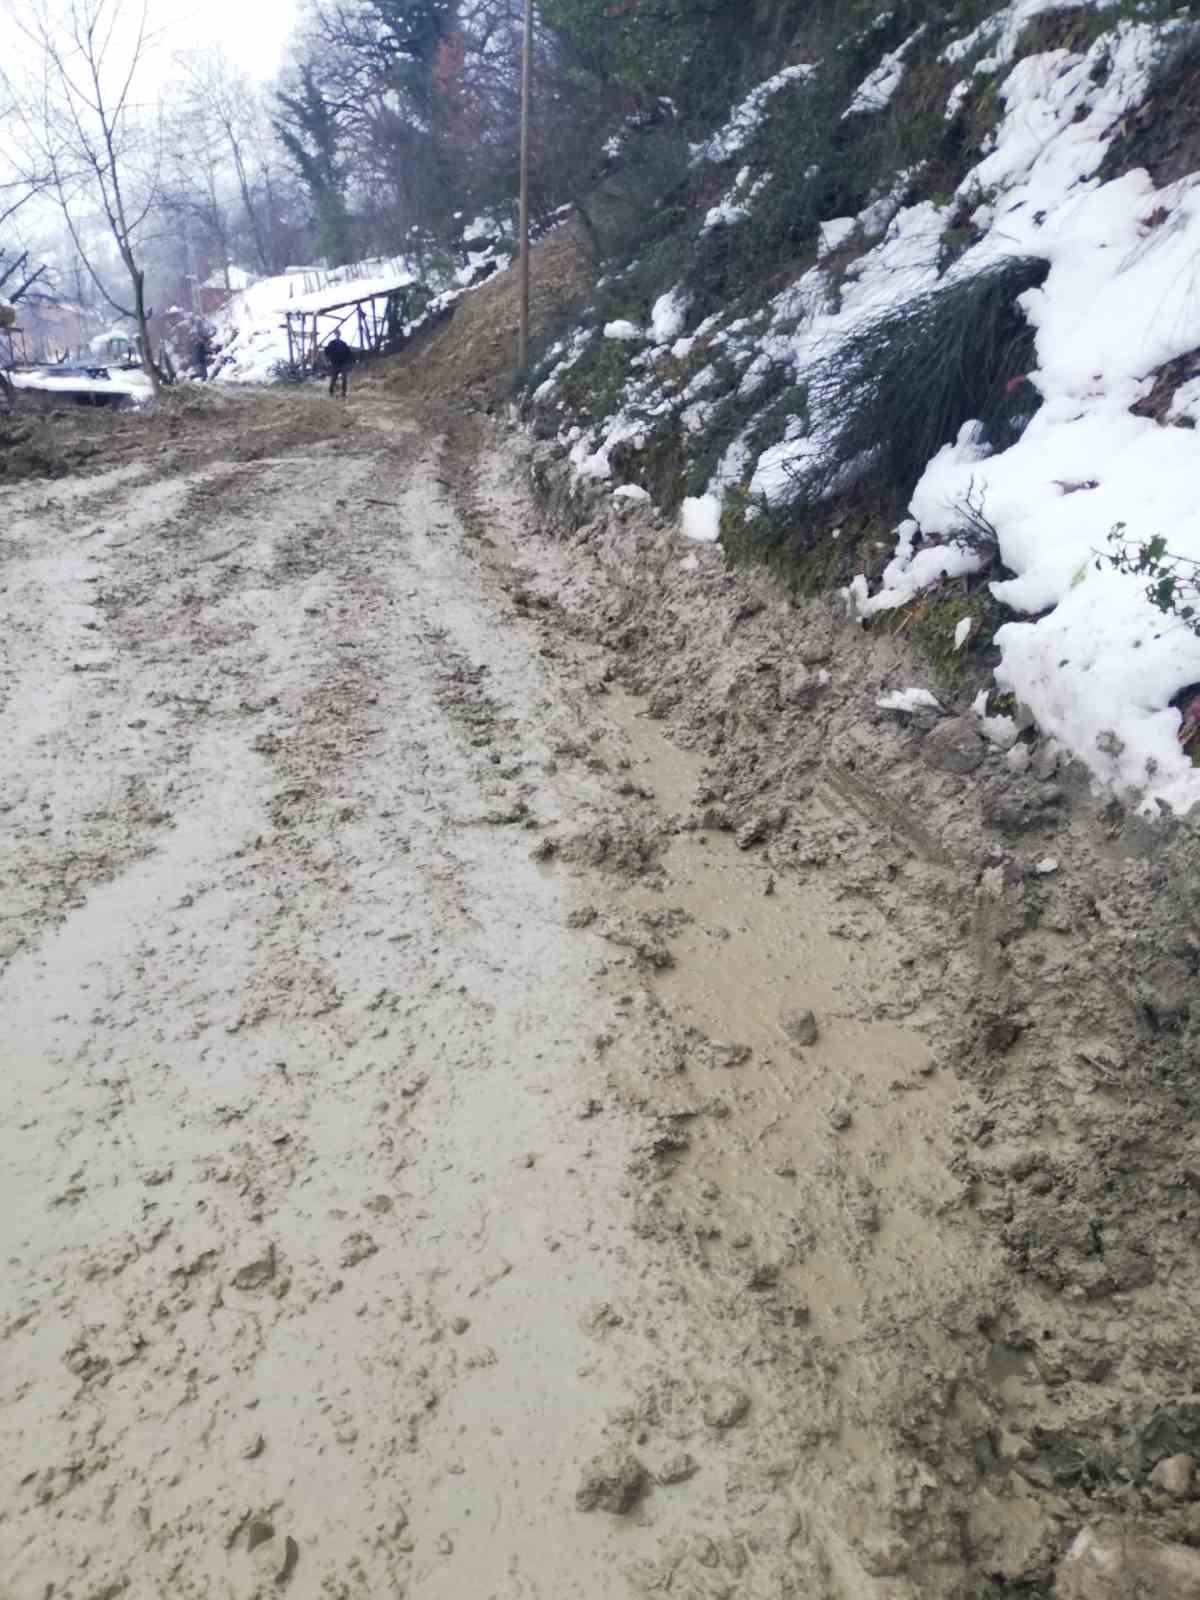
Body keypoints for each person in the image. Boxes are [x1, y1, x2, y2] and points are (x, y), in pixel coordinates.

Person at [325, 334, 354, 398]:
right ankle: (331, 392)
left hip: (342, 363)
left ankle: (343, 393)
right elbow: (326, 351)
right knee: (333, 379)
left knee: (344, 379)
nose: (337, 336)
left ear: (339, 335)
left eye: (338, 334)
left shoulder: (343, 343)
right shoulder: (331, 343)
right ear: (335, 335)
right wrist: (329, 359)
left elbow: (348, 352)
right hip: (335, 363)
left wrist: (348, 360)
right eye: (336, 334)